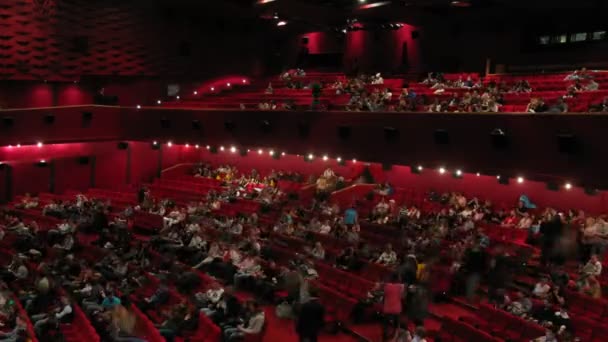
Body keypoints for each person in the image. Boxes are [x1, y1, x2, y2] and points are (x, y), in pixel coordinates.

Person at [382, 274, 405, 341]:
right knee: (397, 323)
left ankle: (384, 335)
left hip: (388, 308)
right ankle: (395, 335)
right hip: (396, 309)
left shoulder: (386, 286)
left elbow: (385, 294)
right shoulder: (401, 286)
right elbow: (402, 297)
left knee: (385, 322)